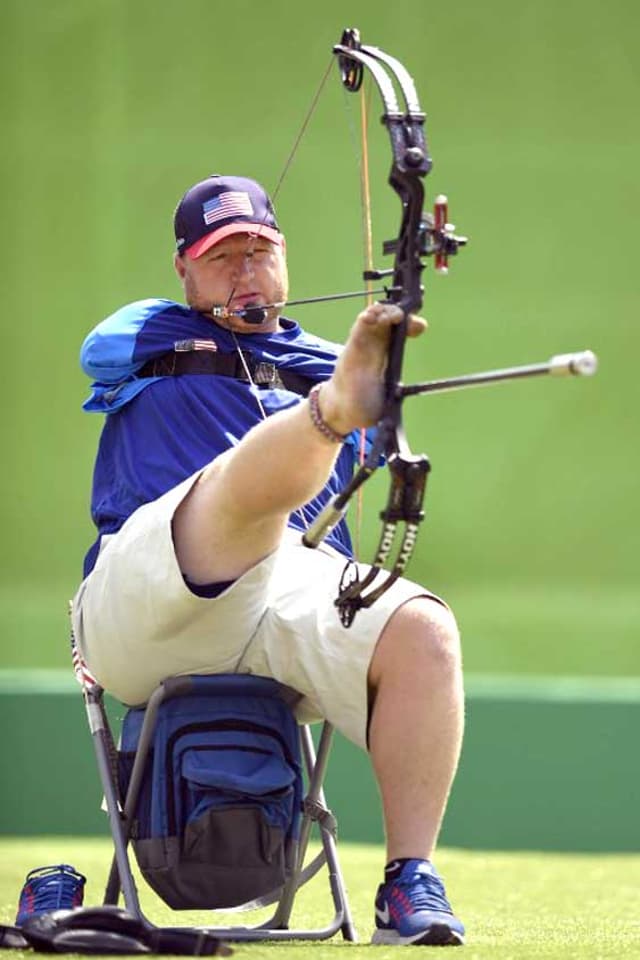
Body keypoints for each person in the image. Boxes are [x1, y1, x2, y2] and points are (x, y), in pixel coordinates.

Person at [72, 174, 466, 947]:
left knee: (425, 631)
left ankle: (408, 880)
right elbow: (97, 347)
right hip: (146, 598)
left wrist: (361, 377)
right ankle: (316, 425)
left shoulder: (333, 360)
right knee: (237, 501)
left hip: (290, 596)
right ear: (183, 268)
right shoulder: (148, 333)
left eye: (261, 251)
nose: (247, 272)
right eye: (223, 257)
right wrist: (331, 405)